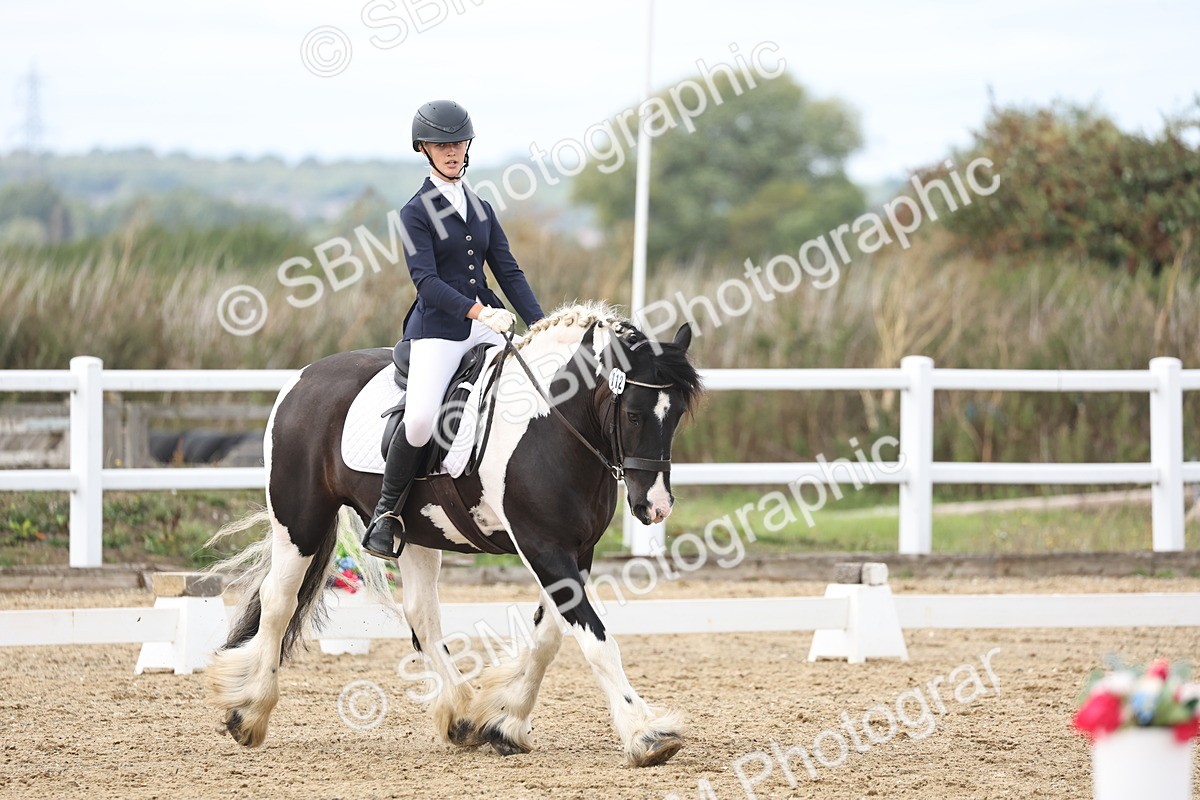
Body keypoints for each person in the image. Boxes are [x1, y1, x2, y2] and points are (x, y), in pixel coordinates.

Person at [361, 100, 546, 560]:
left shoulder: (481, 208)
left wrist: (541, 326)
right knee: (422, 420)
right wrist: (478, 313)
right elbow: (425, 282)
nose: (451, 151)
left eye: (458, 143)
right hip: (439, 330)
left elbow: (508, 271)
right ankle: (387, 513)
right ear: (424, 149)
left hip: (488, 323)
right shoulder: (414, 212)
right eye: (442, 145)